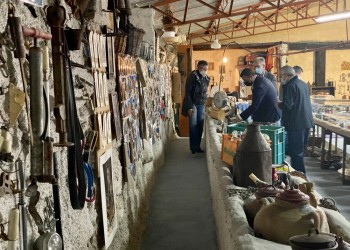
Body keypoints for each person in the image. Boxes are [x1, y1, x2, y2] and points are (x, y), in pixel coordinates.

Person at [278, 65, 314, 174]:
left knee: (296, 153)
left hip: (296, 123)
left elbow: (288, 105)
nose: (282, 78)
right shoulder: (303, 84)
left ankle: (300, 179)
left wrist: (279, 104)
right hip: (306, 122)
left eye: (282, 76)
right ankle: (300, 176)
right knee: (300, 151)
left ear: (285, 75)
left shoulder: (290, 85)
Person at [181, 60, 210, 154]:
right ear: (199, 68)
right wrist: (189, 107)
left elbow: (205, 90)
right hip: (193, 103)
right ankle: (193, 147)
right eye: (204, 69)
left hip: (201, 103)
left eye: (206, 69)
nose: (206, 71)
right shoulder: (192, 77)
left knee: (200, 125)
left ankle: (197, 146)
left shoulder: (206, 78)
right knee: (193, 125)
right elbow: (188, 93)